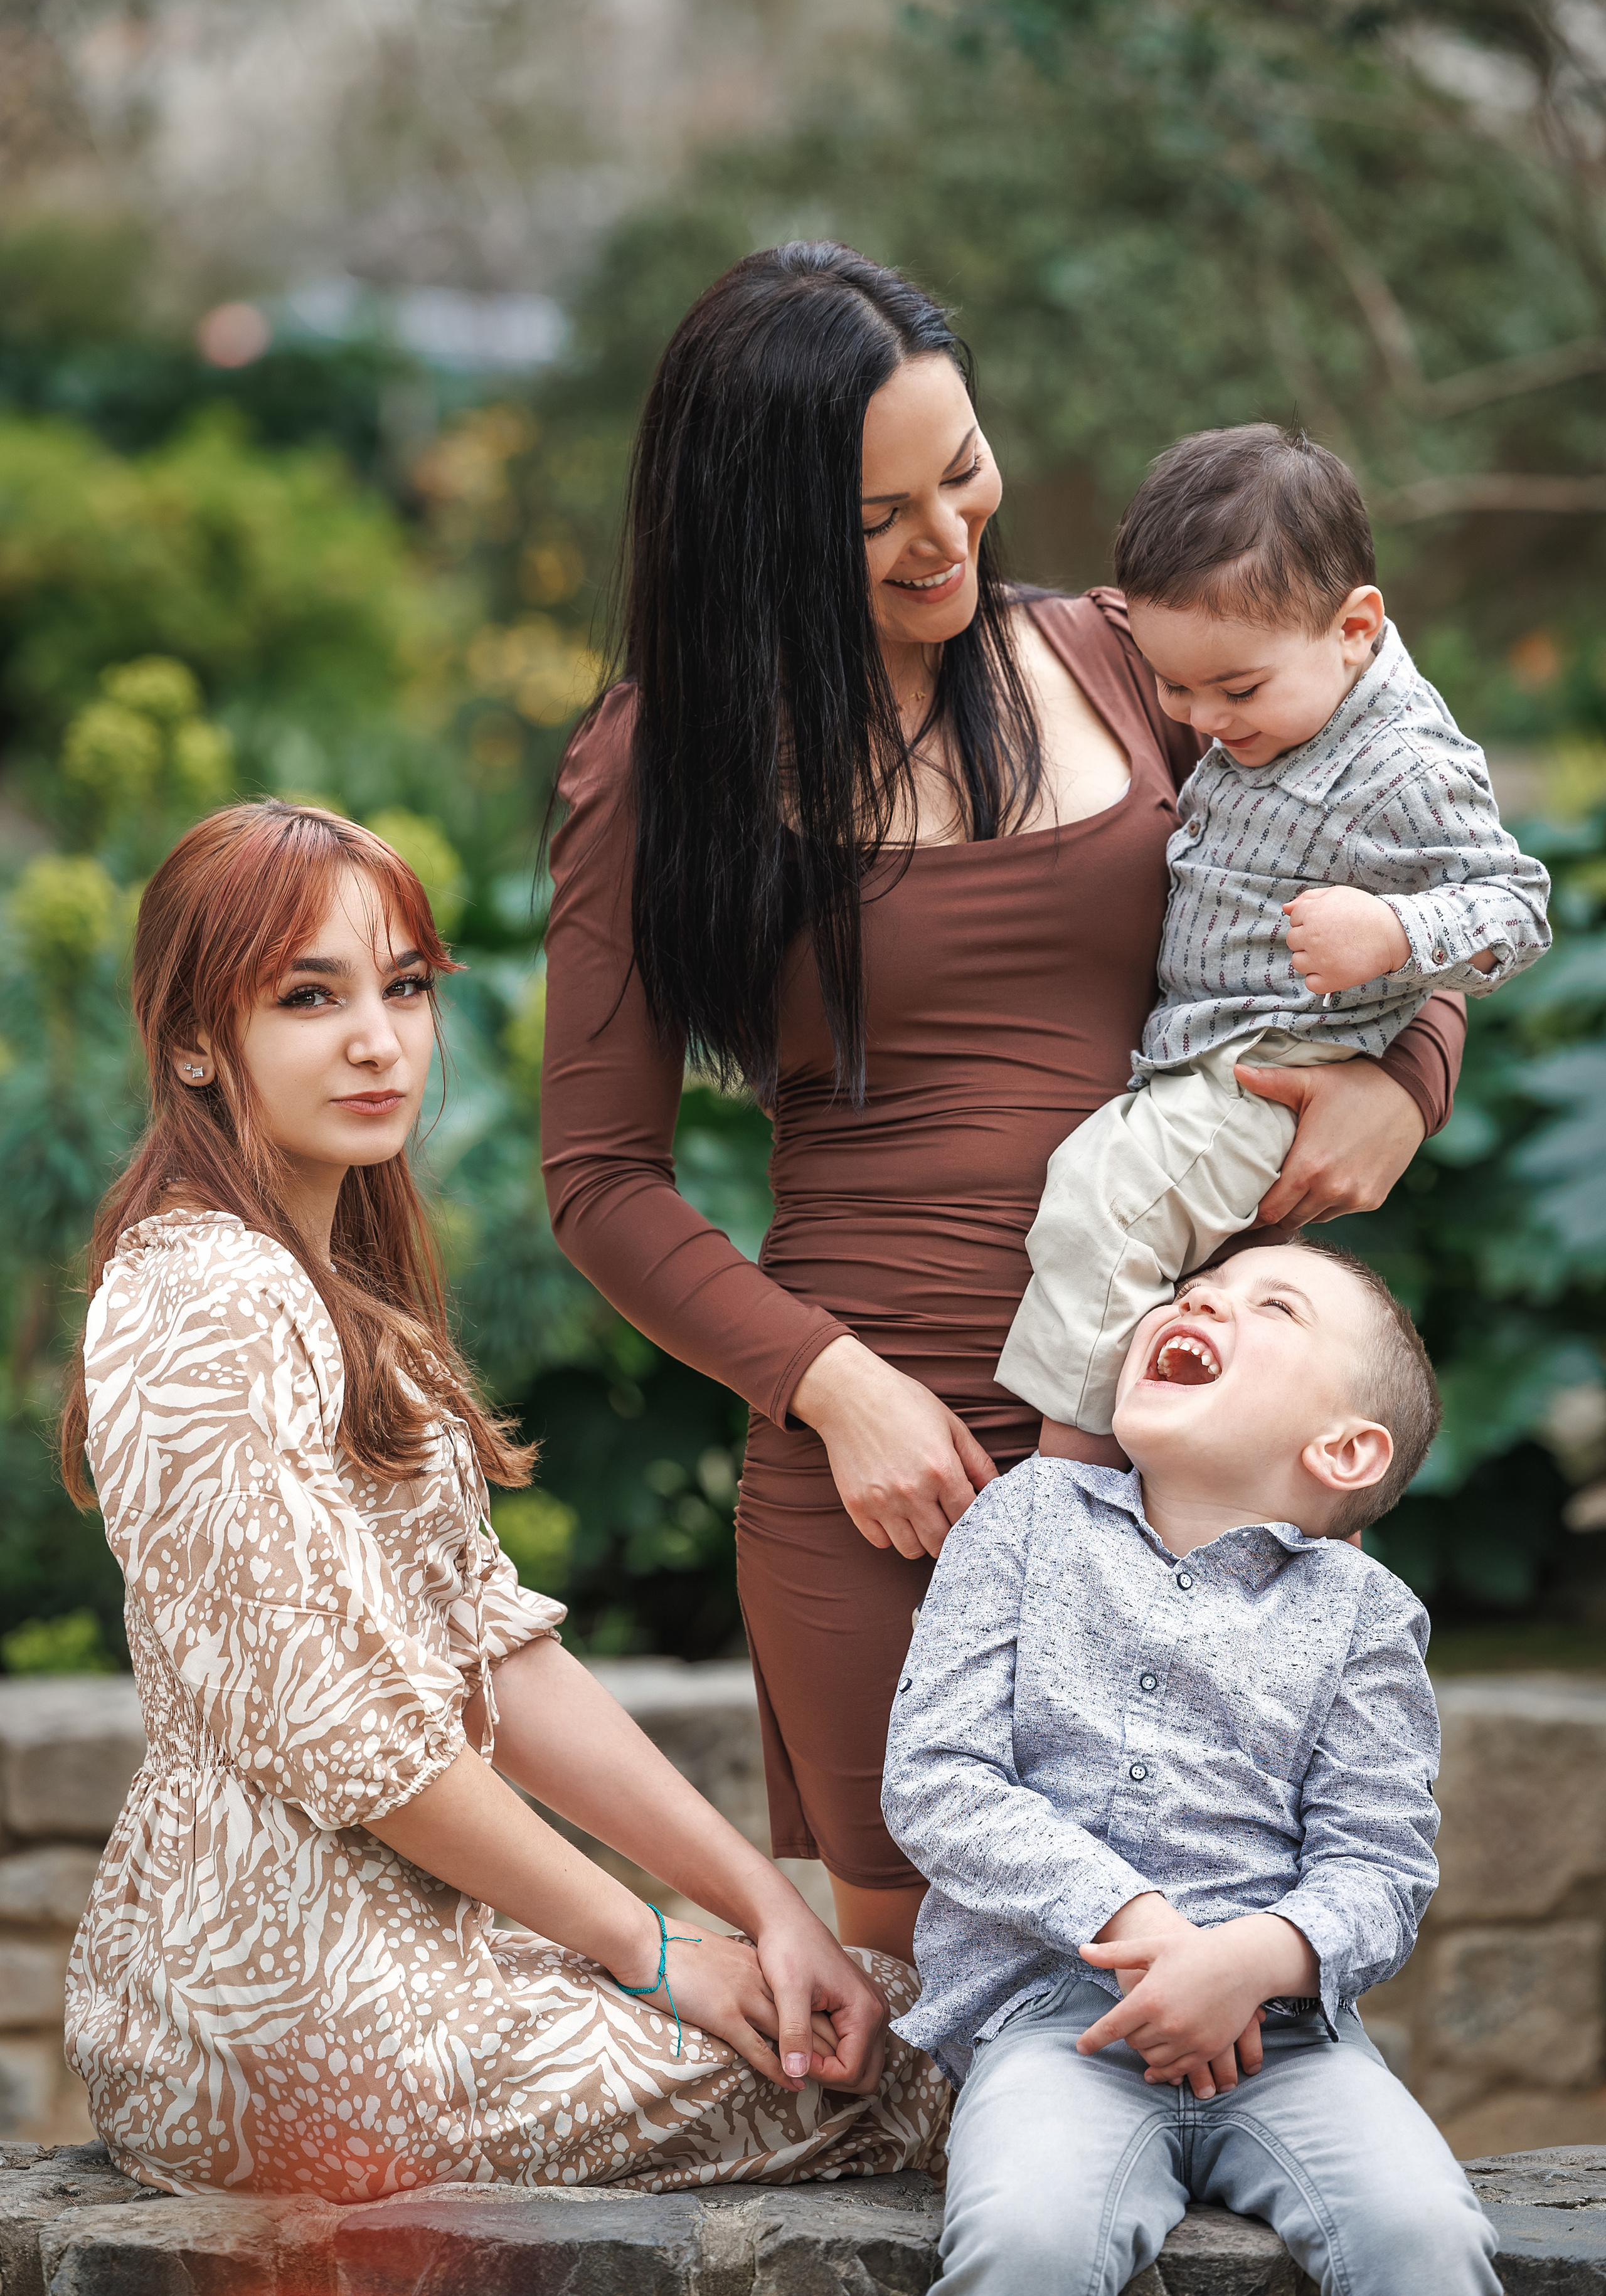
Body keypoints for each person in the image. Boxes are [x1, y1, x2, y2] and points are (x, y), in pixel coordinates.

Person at [540, 241, 1467, 1964]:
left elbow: (1413, 875)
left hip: (1197, 1444)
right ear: (753, 536)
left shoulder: (1143, 661)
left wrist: (1404, 1083)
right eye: (876, 512)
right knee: (948, 2050)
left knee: (1235, 1993)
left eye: (961, 469)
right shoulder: (662, 764)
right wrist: (836, 1392)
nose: (948, 533)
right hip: (892, 1469)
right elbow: (600, 1177)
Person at [60, 799, 946, 2202]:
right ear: (189, 1040)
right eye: (309, 996)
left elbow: (494, 1650)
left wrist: (762, 1904)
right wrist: (649, 1947)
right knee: (934, 2047)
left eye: (404, 985)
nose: (379, 1038)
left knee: (877, 1994)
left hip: (394, 1967)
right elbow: (355, 1733)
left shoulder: (318, 1287)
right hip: (287, 2019)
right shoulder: (205, 1297)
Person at [882, 1239, 1501, 2295]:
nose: (1204, 1301)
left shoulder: (1366, 1617)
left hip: (1289, 2044)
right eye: (1194, 1290)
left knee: (1426, 2234)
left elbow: (1382, 1867)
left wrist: (1250, 1961)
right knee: (1026, 2241)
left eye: (1274, 1306)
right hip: (1055, 2027)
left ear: (1345, 1451)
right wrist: (1141, 1925)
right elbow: (938, 1774)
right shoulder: (1027, 1520)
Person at [996, 425, 1550, 1434]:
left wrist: (1393, 927)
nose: (1203, 716)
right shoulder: (1275, 694)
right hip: (1206, 1046)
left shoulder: (1402, 766)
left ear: (1354, 626)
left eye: (1237, 688)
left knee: (1102, 1210)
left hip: (1277, 1056)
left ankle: (1069, 1478)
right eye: (1175, 686)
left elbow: (1516, 908)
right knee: (1143, 1238)